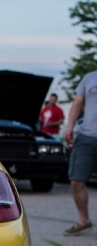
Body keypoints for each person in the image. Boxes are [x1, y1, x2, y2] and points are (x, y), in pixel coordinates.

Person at [63, 71, 97, 236]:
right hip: (86, 136)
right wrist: (69, 127)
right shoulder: (89, 78)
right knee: (76, 181)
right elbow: (77, 103)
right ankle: (84, 221)